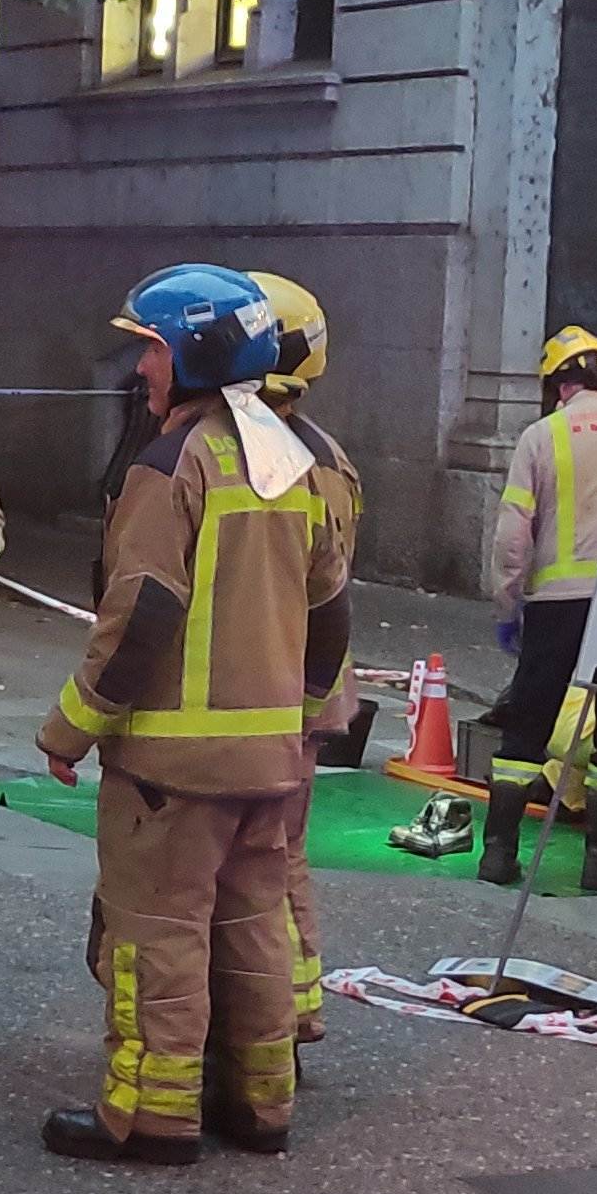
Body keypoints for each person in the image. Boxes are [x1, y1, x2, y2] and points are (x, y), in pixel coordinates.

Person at [38, 264, 353, 1166]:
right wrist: (293, 715)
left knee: (159, 935)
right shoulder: (289, 459)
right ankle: (261, 1108)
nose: (139, 368)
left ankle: (151, 1115)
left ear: (191, 351)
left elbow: (140, 614)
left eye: (148, 347)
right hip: (269, 763)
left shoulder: (171, 463)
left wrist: (71, 728)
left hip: (172, 769)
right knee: (254, 930)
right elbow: (330, 609)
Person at [473, 327, 597, 887]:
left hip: (555, 605)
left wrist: (508, 603)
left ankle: (498, 853)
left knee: (528, 726)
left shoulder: (541, 437)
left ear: (556, 383)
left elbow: (512, 534)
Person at [249, 270, 359, 1037]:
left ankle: (278, 1009)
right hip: (317, 682)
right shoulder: (330, 455)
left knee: (265, 854)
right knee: (285, 848)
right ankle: (299, 1002)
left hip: (267, 680)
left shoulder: (259, 456)